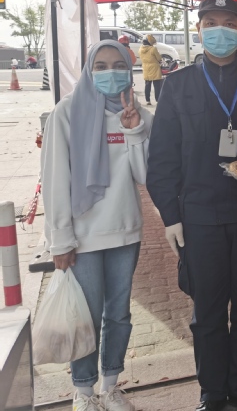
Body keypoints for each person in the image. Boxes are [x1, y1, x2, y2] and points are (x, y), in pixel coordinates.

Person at [146, 0, 237, 411]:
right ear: (199, 30)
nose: (220, 30)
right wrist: (171, 216)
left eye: (229, 23)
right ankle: (211, 392)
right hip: (200, 218)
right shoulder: (178, 85)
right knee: (206, 311)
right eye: (211, 23)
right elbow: (162, 158)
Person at [41, 40, 153, 411]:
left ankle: (110, 386)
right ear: (89, 71)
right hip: (81, 237)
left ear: (129, 70)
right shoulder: (67, 112)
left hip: (125, 231)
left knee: (118, 314)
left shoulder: (137, 112)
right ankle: (83, 391)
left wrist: (134, 131)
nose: (110, 73)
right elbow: (55, 178)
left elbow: (145, 176)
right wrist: (59, 239)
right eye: (100, 66)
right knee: (85, 315)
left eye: (118, 65)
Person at [139, 34, 163, 105]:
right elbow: (159, 58)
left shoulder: (140, 49)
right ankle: (157, 100)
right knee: (156, 85)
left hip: (146, 68)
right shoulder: (153, 49)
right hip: (154, 68)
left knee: (147, 85)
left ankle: (148, 100)